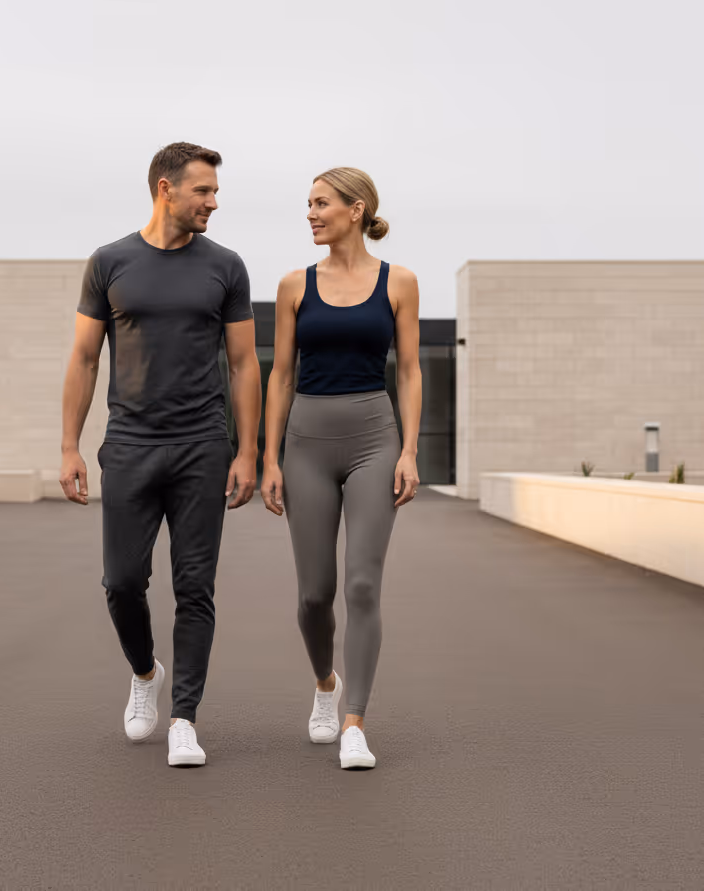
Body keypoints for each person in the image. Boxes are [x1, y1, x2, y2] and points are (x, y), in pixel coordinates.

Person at [59, 142, 261, 767]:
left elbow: (244, 363)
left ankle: (184, 719)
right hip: (129, 445)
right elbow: (85, 358)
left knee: (195, 587)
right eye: (203, 190)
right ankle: (145, 671)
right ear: (165, 189)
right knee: (122, 582)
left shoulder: (226, 266)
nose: (214, 202)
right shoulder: (110, 262)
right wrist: (69, 445)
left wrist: (247, 450)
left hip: (202, 445)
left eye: (215, 191)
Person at [261, 167, 421, 769]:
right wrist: (269, 458)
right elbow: (281, 375)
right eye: (308, 204)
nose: (311, 213)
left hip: (375, 439)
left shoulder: (399, 282)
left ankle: (355, 721)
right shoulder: (293, 286)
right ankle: (325, 684)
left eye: (321, 203)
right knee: (314, 595)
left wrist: (409, 450)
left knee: (361, 585)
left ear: (356, 210)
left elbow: (410, 370)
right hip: (306, 442)